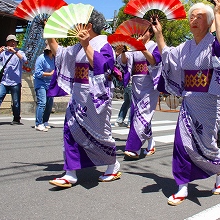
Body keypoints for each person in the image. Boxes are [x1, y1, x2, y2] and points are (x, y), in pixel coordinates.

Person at [153, 0, 220, 206]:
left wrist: (218, 13)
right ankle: (182, 186)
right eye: (192, 16)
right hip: (189, 101)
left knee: (207, 146)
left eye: (200, 16)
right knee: (181, 144)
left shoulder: (214, 43)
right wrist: (159, 34)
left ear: (208, 23)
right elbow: (167, 56)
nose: (194, 19)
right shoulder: (186, 47)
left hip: (208, 101)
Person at [47, 10, 121, 188]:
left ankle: (113, 164)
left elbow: (101, 66)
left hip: (96, 98)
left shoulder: (105, 44)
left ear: (88, 26)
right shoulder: (77, 46)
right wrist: (50, 34)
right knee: (70, 130)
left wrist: (86, 44)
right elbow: (61, 55)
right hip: (78, 95)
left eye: (80, 23)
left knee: (101, 134)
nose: (75, 26)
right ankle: (70, 173)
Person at [116, 27, 162, 159]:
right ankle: (151, 143)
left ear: (151, 33)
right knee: (139, 115)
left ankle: (133, 148)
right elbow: (125, 62)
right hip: (136, 84)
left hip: (150, 84)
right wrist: (124, 51)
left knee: (142, 114)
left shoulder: (154, 46)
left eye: (145, 31)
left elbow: (154, 61)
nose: (141, 33)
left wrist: (141, 47)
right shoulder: (134, 46)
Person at [0, 35, 27, 126]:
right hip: (4, 81)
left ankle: (16, 118)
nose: (13, 43)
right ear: (7, 43)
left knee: (16, 102)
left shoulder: (20, 52)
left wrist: (14, 52)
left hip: (15, 82)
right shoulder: (4, 53)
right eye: (11, 41)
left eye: (15, 41)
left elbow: (25, 60)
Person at [33, 43, 55, 132]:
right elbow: (37, 73)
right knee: (42, 102)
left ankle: (45, 121)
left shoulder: (54, 58)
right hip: (40, 82)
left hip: (50, 83)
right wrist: (49, 74)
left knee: (49, 104)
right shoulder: (41, 58)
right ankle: (38, 123)